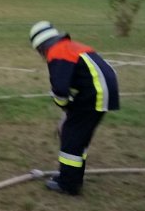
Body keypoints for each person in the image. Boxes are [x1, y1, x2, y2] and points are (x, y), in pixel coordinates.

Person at [30, 21, 119, 195]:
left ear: (40, 46)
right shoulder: (68, 46)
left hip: (95, 92)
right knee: (78, 136)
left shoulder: (56, 52)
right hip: (99, 89)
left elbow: (60, 89)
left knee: (71, 135)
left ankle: (68, 184)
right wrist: (69, 111)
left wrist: (66, 108)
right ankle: (71, 175)